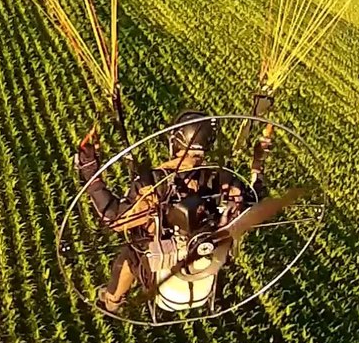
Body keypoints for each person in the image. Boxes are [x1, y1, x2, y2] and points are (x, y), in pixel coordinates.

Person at [75, 110, 273, 314]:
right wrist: (258, 161)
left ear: (176, 142)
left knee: (132, 251)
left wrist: (89, 169)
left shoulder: (154, 184)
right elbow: (255, 198)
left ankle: (112, 301)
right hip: (204, 276)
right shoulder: (222, 179)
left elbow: (114, 218)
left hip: (167, 289)